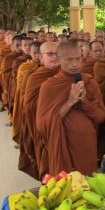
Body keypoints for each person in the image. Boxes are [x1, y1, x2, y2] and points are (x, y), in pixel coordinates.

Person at [36, 41, 105, 176]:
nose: (74, 64)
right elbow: (42, 124)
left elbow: (101, 116)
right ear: (59, 59)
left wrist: (84, 101)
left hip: (86, 145)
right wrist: (69, 102)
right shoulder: (49, 86)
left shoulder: (89, 82)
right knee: (66, 187)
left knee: (87, 185)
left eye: (78, 59)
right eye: (69, 60)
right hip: (62, 146)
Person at [23, 42, 61, 179]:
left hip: (64, 128)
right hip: (44, 128)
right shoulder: (35, 77)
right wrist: (51, 106)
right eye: (50, 54)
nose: (55, 57)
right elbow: (29, 107)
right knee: (49, 165)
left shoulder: (67, 74)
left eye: (57, 53)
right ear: (40, 57)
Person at [13, 42, 41, 179]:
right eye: (35, 53)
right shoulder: (25, 68)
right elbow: (22, 91)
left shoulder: (54, 70)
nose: (38, 56)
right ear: (30, 52)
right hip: (31, 108)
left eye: (40, 53)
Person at [1, 35, 24, 125]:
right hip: (11, 83)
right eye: (17, 45)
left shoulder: (27, 57)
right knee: (13, 102)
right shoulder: (9, 57)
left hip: (21, 84)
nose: (20, 48)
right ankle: (12, 119)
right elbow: (4, 72)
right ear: (12, 46)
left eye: (21, 45)